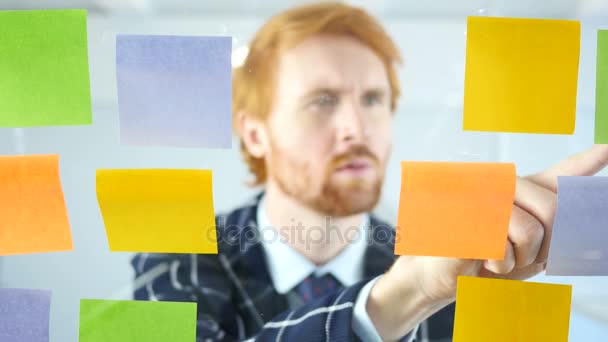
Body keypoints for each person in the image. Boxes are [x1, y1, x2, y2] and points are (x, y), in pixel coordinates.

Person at [132, 2, 608, 341]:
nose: (356, 128)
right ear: (255, 134)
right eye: (322, 101)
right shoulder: (178, 258)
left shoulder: (455, 269)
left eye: (373, 100)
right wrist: (402, 297)